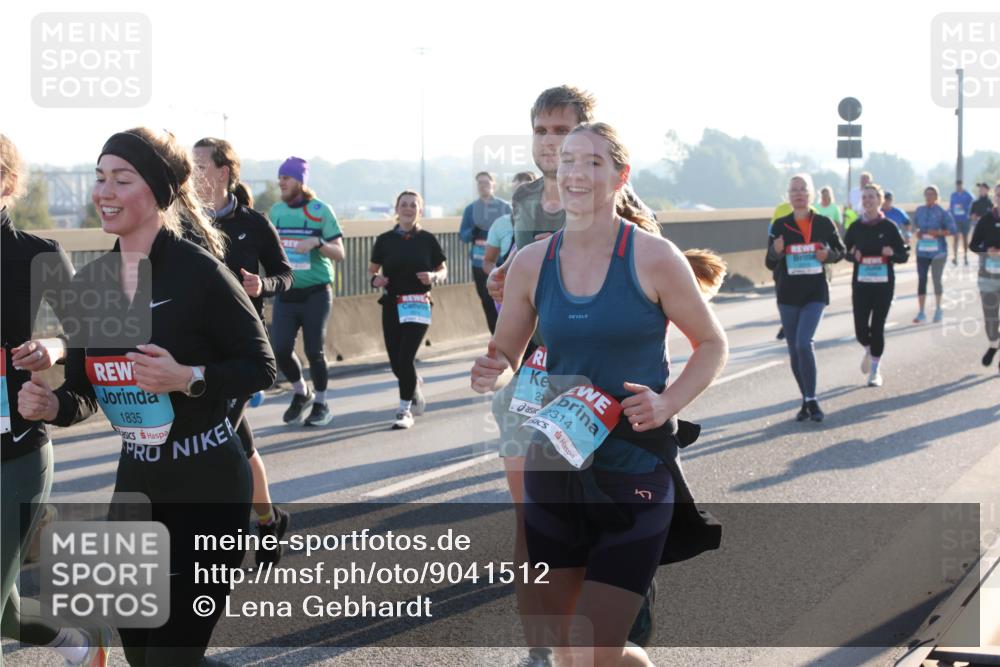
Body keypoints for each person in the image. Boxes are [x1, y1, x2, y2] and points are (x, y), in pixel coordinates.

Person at [17, 127, 276, 666]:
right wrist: (53, 407)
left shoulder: (200, 273)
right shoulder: (95, 283)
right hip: (136, 491)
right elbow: (86, 391)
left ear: (157, 191)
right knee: (140, 657)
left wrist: (188, 377)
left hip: (208, 490)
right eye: (100, 178)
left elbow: (260, 366)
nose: (104, 192)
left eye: (121, 179)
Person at [471, 122, 727, 667]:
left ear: (619, 176)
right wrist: (493, 368)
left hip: (633, 468)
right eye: (567, 160)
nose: (576, 172)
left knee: (593, 648)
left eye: (592, 162)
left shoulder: (653, 258)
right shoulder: (532, 262)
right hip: (555, 466)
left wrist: (667, 403)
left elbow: (711, 344)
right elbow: (508, 354)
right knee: (569, 652)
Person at [1, 134, 111, 666]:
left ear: (7, 182)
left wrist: (56, 346)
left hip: (15, 455)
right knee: (5, 611)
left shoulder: (37, 255)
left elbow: (90, 341)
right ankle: (80, 643)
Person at [193, 138, 294, 565]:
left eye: (200, 165)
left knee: (217, 440)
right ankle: (269, 520)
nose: (193, 173)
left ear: (223, 172)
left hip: (244, 349)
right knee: (239, 442)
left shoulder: (254, 223)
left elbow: (285, 274)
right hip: (198, 349)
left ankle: (219, 543)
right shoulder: (184, 222)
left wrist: (262, 285)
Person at [268, 157, 345, 426]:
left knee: (314, 351)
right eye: (280, 178)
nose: (281, 183)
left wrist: (318, 242)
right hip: (286, 292)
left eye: (286, 178)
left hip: (316, 292)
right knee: (280, 350)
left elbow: (339, 253)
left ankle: (322, 404)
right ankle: (302, 392)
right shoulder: (276, 211)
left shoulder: (320, 210)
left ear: (300, 182)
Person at [766, 173, 845, 422]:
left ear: (811, 194)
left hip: (815, 292)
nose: (799, 194)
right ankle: (806, 399)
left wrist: (828, 255)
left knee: (803, 343)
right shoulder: (780, 226)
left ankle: (812, 399)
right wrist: (776, 251)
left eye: (803, 189)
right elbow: (769, 262)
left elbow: (840, 250)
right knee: (793, 350)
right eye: (794, 190)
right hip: (788, 293)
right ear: (788, 196)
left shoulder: (823, 223)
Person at [368, 191, 447, 429]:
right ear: (396, 209)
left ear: (420, 210)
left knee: (405, 358)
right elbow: (372, 271)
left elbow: (443, 269)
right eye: (404, 204)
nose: (408, 208)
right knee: (396, 363)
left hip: (418, 303)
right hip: (392, 304)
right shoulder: (384, 240)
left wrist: (433, 276)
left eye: (413, 205)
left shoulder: (428, 240)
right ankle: (413, 383)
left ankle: (404, 410)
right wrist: (376, 280)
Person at [844, 183, 909, 386]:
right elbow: (844, 251)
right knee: (861, 330)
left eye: (872, 197)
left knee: (878, 327)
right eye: (865, 197)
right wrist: (853, 256)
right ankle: (869, 349)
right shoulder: (855, 227)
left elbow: (903, 255)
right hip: (861, 284)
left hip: (883, 285)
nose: (868, 201)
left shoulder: (889, 227)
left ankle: (875, 370)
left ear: (880, 200)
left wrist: (892, 253)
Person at [460, 172, 511, 334]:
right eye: (480, 183)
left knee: (504, 301)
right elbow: (463, 236)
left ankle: (507, 336)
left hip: (502, 262)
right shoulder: (470, 209)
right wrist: (474, 231)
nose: (483, 186)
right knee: (487, 302)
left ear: (493, 185)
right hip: (479, 263)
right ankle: (495, 337)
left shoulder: (505, 207)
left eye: (486, 183)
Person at [912, 185, 957, 324]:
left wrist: (937, 233)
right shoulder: (920, 210)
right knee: (922, 280)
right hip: (922, 251)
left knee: (936, 280)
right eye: (927, 194)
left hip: (938, 252)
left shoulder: (943, 212)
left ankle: (938, 308)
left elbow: (952, 230)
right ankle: (921, 312)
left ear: (937, 196)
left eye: (931, 194)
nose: (928, 197)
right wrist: (917, 233)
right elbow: (915, 226)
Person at [969, 182, 1000, 371]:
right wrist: (986, 251)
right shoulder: (986, 220)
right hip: (987, 276)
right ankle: (994, 344)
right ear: (995, 197)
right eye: (999, 195)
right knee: (990, 320)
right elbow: (973, 245)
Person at [483, 172, 536, 276]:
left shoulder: (550, 224)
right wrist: (498, 275)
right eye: (517, 192)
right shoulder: (501, 224)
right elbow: (488, 262)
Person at [949, 180, 974, 265]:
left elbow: (973, 204)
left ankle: (965, 256)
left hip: (965, 219)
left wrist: (968, 212)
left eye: (960, 185)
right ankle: (955, 257)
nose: (958, 187)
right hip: (956, 220)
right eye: (957, 185)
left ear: (962, 185)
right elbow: (951, 206)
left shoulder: (968, 195)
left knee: (965, 238)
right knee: (955, 238)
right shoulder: (953, 195)